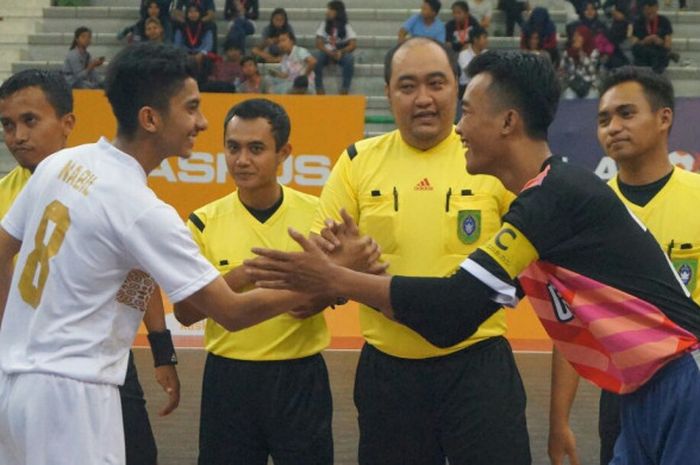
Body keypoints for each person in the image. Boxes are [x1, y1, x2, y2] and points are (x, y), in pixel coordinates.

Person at [247, 50, 700, 465]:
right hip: (646, 386)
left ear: (507, 122)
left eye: (466, 110)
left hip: (682, 379)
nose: (458, 127)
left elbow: (453, 309)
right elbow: (459, 307)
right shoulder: (544, 196)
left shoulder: (554, 198)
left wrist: (336, 280)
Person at [0, 43, 353, 465]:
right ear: (150, 118)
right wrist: (332, 276)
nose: (201, 122)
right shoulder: (142, 209)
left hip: (15, 383)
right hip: (73, 396)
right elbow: (232, 312)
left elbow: (4, 251)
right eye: (191, 108)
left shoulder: (61, 164)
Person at [252, 37, 529, 465]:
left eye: (436, 83)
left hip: (479, 370)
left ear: (458, 87)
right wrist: (341, 271)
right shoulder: (356, 163)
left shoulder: (492, 159)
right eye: (407, 86)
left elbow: (533, 272)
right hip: (389, 375)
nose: (423, 98)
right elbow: (310, 291)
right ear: (387, 93)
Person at [0, 68, 181, 465]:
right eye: (7, 125)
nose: (17, 136)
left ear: (67, 124)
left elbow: (138, 272)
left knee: (138, 453)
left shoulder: (103, 183)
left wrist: (161, 348)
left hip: (97, 358)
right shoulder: (6, 193)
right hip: (26, 365)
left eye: (30, 121)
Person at [548, 66, 700, 465]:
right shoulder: (588, 213)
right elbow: (574, 327)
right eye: (603, 119)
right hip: (621, 394)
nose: (613, 127)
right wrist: (558, 418)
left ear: (664, 117)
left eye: (626, 114)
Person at [174, 98, 335, 465]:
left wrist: (326, 295)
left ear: (284, 152)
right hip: (228, 380)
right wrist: (242, 275)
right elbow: (184, 313)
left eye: (256, 148)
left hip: (300, 377)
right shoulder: (201, 222)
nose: (242, 160)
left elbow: (341, 285)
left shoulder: (316, 215)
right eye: (233, 147)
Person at [314, 0, 357, 95]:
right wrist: (329, 52)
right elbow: (318, 43)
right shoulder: (324, 24)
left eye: (330, 9)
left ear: (337, 12)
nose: (327, 12)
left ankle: (345, 89)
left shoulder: (346, 26)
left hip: (340, 52)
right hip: (327, 52)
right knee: (317, 58)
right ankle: (319, 88)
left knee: (349, 59)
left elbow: (353, 44)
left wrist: (341, 52)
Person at [631, 0, 676, 74]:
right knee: (637, 49)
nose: (649, 14)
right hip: (644, 54)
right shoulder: (638, 22)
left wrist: (660, 42)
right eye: (647, 11)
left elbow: (668, 45)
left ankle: (655, 66)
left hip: (658, 51)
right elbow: (633, 43)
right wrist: (644, 41)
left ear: (657, 8)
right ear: (643, 9)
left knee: (661, 53)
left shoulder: (664, 21)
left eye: (652, 11)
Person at [560, 26, 600, 98]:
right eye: (575, 36)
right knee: (569, 97)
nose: (575, 38)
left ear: (585, 37)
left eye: (579, 36)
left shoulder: (594, 52)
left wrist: (581, 53)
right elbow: (562, 70)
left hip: (590, 85)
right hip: (573, 86)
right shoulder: (568, 52)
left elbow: (591, 70)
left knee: (592, 97)